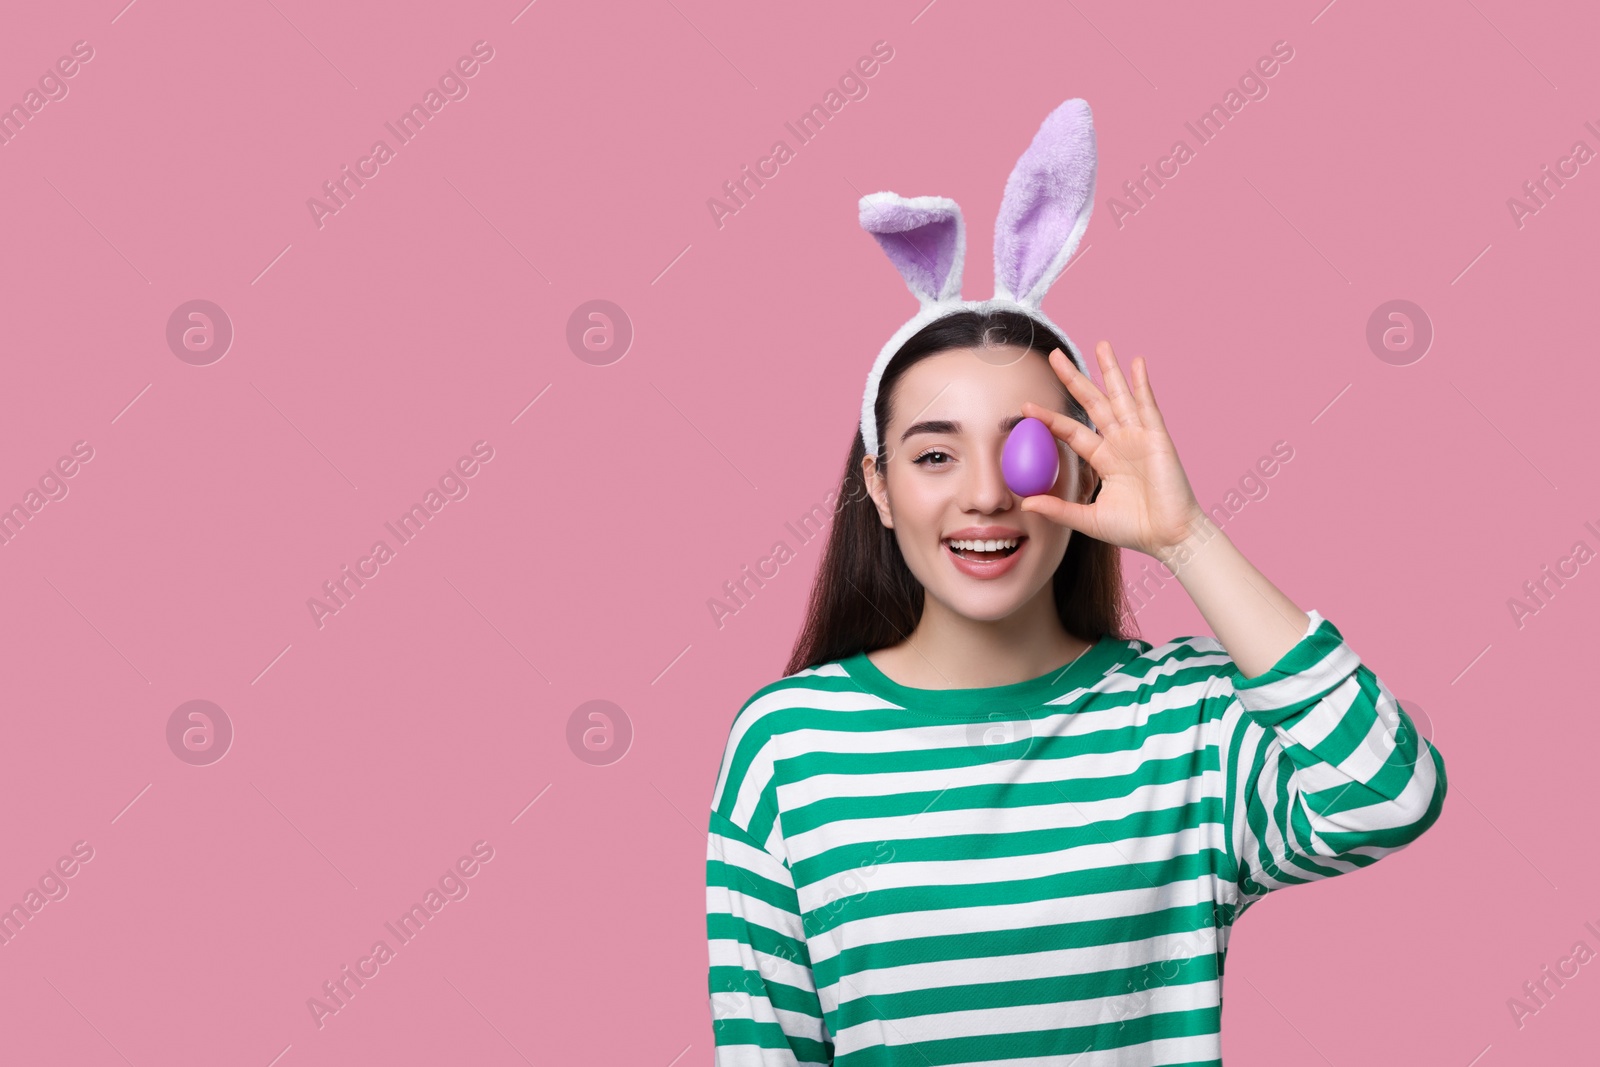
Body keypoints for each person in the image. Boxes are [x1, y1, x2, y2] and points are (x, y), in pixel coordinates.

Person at [705, 100, 1446, 1066]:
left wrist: (1185, 537)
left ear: (1080, 472)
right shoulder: (787, 746)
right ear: (879, 488)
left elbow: (1387, 793)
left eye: (1023, 448)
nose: (983, 497)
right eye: (933, 456)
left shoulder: (1186, 721)